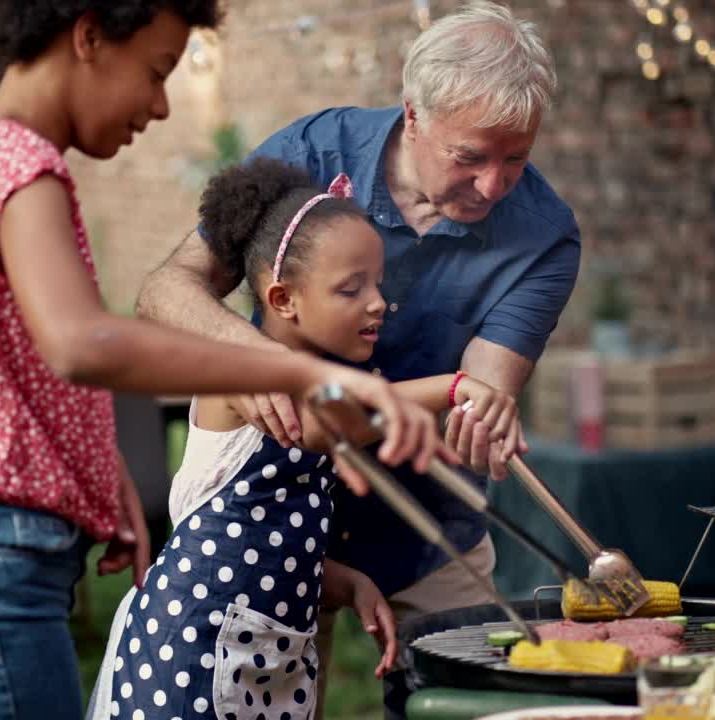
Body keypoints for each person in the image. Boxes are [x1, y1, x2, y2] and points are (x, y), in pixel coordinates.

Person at [0, 2, 454, 718]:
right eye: (157, 71)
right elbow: (82, 343)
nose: (161, 106)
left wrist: (88, 480)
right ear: (89, 36)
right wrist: (303, 372)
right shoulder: (23, 167)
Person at [134, 2, 580, 715]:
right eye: (471, 157)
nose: (496, 185)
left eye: (517, 158)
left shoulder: (545, 235)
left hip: (429, 526)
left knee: (467, 708)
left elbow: (483, 393)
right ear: (413, 116)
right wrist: (264, 366)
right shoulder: (314, 155)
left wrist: (482, 404)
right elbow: (165, 290)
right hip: (272, 512)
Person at [90, 159, 521, 720]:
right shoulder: (240, 375)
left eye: (377, 283)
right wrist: (456, 385)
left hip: (268, 655)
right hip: (190, 653)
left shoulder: (316, 383)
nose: (377, 302)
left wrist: (346, 584)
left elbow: (271, 542)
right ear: (282, 299)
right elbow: (327, 423)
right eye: (351, 289)